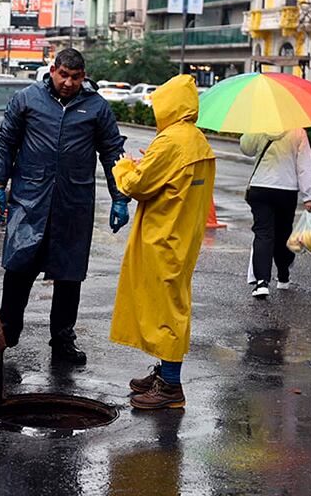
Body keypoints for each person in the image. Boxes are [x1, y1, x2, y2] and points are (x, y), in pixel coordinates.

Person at [0, 48, 129, 365]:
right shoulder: (27, 99)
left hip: (73, 202)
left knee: (69, 274)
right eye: (63, 75)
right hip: (29, 200)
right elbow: (5, 143)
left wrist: (120, 196)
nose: (68, 82)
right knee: (19, 267)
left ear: (83, 76)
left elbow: (112, 153)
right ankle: (6, 332)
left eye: (75, 77)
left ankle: (63, 340)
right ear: (53, 70)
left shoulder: (96, 107)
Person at [109, 74, 215, 410]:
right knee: (170, 303)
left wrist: (123, 167)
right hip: (183, 234)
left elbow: (137, 185)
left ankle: (170, 386)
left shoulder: (171, 141)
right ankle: (165, 372)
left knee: (167, 308)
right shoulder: (195, 140)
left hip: (163, 235)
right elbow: (167, 177)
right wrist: (151, 163)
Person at [240, 127, 311, 299]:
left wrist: (249, 126)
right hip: (286, 190)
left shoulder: (259, 123)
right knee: (283, 234)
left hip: (261, 187)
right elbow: (304, 164)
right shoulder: (298, 130)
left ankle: (261, 282)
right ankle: (283, 276)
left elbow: (246, 149)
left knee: (263, 234)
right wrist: (308, 196)